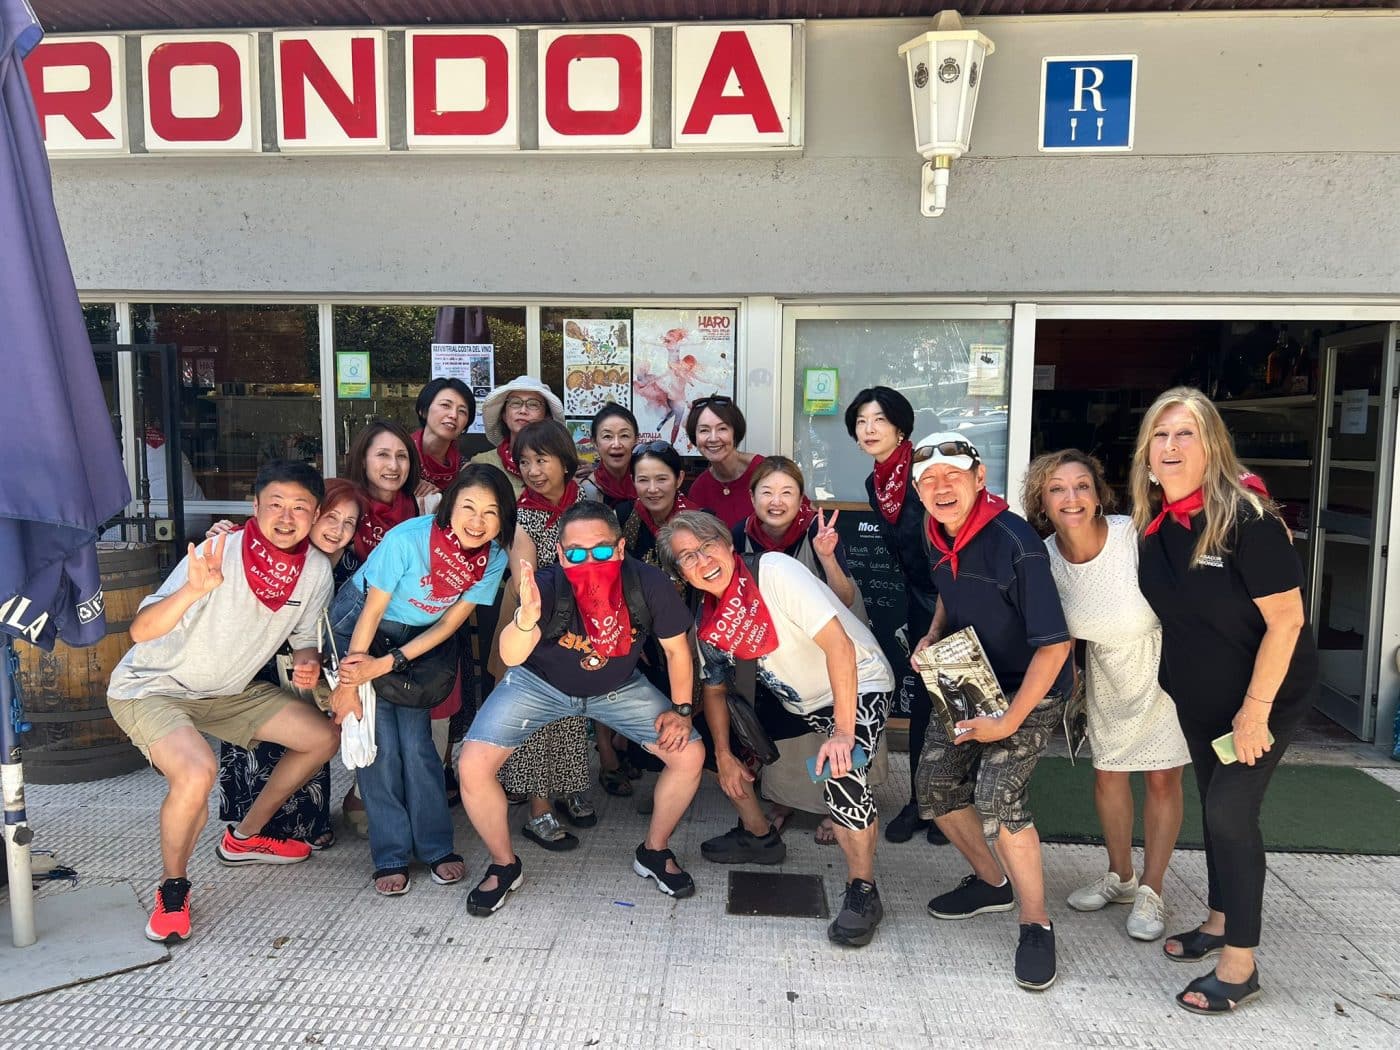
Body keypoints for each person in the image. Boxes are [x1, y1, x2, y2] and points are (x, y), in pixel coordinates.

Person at [1133, 387, 1317, 1015]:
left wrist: (1255, 711)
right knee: (1215, 808)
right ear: (1147, 454)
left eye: (1185, 433)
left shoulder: (1249, 519)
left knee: (1231, 813)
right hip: (1201, 697)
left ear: (1212, 445)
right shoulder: (1157, 526)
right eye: (1160, 435)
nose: (1171, 446)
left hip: (1262, 698)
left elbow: (1287, 622)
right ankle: (1219, 920)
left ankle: (1240, 964)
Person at [105, 460, 340, 944]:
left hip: (227, 692)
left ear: (316, 515)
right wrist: (193, 590)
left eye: (300, 507)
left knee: (321, 737)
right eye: (275, 504)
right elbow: (141, 631)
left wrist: (308, 663)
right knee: (197, 773)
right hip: (154, 686)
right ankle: (173, 888)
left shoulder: (315, 570)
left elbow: (304, 640)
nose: (287, 517)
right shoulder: (219, 551)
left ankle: (245, 837)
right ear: (254, 506)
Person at [658, 511, 894, 947]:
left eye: (708, 546)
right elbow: (714, 690)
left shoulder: (774, 571)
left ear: (729, 545)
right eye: (688, 557)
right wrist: (724, 756)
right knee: (704, 738)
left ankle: (862, 890)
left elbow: (839, 646)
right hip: (799, 701)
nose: (703, 560)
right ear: (681, 574)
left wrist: (844, 733)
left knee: (842, 771)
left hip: (860, 682)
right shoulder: (706, 621)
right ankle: (759, 835)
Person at [457, 501, 704, 915]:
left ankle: (654, 850)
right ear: (559, 553)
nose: (589, 561)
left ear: (620, 549)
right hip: (540, 685)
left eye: (602, 551)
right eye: (575, 553)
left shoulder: (648, 583)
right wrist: (525, 618)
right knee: (472, 765)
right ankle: (504, 864)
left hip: (617, 687)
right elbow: (511, 655)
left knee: (689, 754)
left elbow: (678, 651)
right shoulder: (547, 585)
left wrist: (681, 710)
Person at [909, 433, 1073, 992]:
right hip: (968, 674)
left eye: (953, 475)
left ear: (980, 479)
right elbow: (946, 588)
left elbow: (1055, 647)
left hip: (1032, 687)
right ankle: (991, 883)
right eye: (929, 480)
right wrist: (933, 634)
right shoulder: (934, 528)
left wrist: (1007, 721)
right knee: (933, 785)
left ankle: (1036, 923)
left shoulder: (1015, 543)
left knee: (999, 799)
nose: (941, 487)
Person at [1023, 449, 1189, 943]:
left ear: (1098, 495)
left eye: (1082, 486)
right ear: (1042, 502)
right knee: (1108, 774)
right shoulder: (1045, 558)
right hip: (1107, 670)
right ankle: (1121, 876)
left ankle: (1152, 890)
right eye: (1057, 489)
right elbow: (1056, 629)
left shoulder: (1133, 535)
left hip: (1163, 663)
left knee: (1162, 777)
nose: (1071, 498)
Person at [326, 465, 512, 895]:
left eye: (491, 511)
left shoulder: (493, 559)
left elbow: (448, 624)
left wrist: (387, 664)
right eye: (468, 507)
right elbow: (371, 612)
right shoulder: (407, 540)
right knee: (380, 746)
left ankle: (435, 846)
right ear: (449, 507)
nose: (477, 521)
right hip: (361, 627)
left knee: (417, 743)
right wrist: (351, 682)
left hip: (415, 639)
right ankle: (390, 853)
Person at [213, 477, 367, 849]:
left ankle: (306, 824)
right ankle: (251, 826)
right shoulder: (278, 552)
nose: (338, 530)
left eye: (349, 523)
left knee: (310, 740)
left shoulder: (353, 568)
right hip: (258, 664)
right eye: (331, 518)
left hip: (314, 673)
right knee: (257, 748)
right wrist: (223, 539)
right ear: (312, 515)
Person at [732, 455, 868, 845]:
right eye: (767, 492)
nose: (776, 501)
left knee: (831, 723)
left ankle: (833, 805)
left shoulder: (817, 532)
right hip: (778, 650)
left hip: (827, 643)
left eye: (787, 492)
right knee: (787, 728)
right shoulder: (740, 534)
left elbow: (846, 598)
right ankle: (786, 800)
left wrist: (826, 557)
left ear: (800, 498)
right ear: (752, 497)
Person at [845, 387, 943, 847]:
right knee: (924, 700)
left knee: (956, 702)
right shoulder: (876, 483)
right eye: (861, 421)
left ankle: (949, 807)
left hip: (957, 598)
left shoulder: (927, 471)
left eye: (879, 420)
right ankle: (922, 803)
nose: (869, 429)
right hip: (920, 600)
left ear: (901, 427)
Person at [495, 419, 595, 849]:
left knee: (574, 710)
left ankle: (568, 787)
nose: (533, 471)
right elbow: (524, 580)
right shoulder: (524, 515)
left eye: (542, 460)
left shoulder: (585, 502)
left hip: (582, 624)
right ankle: (539, 809)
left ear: (565, 461)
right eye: (525, 462)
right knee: (537, 713)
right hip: (539, 626)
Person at [340, 419, 425, 833]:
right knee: (364, 719)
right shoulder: (345, 501)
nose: (393, 465)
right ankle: (363, 796)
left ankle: (393, 804)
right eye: (383, 455)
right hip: (351, 625)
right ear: (363, 459)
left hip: (401, 630)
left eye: (402, 456)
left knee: (398, 726)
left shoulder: (418, 508)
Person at [472, 376, 567, 499]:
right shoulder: (482, 463)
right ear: (504, 415)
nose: (523, 410)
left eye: (533, 404)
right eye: (515, 403)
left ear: (547, 417)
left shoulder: (560, 464)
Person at [684, 395, 765, 529]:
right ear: (695, 437)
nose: (713, 438)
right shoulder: (699, 489)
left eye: (722, 428)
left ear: (735, 433)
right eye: (704, 430)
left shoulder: (764, 471)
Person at [412, 378, 476, 498]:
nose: (454, 415)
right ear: (423, 410)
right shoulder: (401, 453)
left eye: (462, 411)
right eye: (445, 405)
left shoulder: (464, 470)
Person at [580, 403, 638, 507]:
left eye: (624, 435)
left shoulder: (648, 485)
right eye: (607, 436)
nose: (616, 444)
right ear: (594, 442)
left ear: (636, 440)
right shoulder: (587, 492)